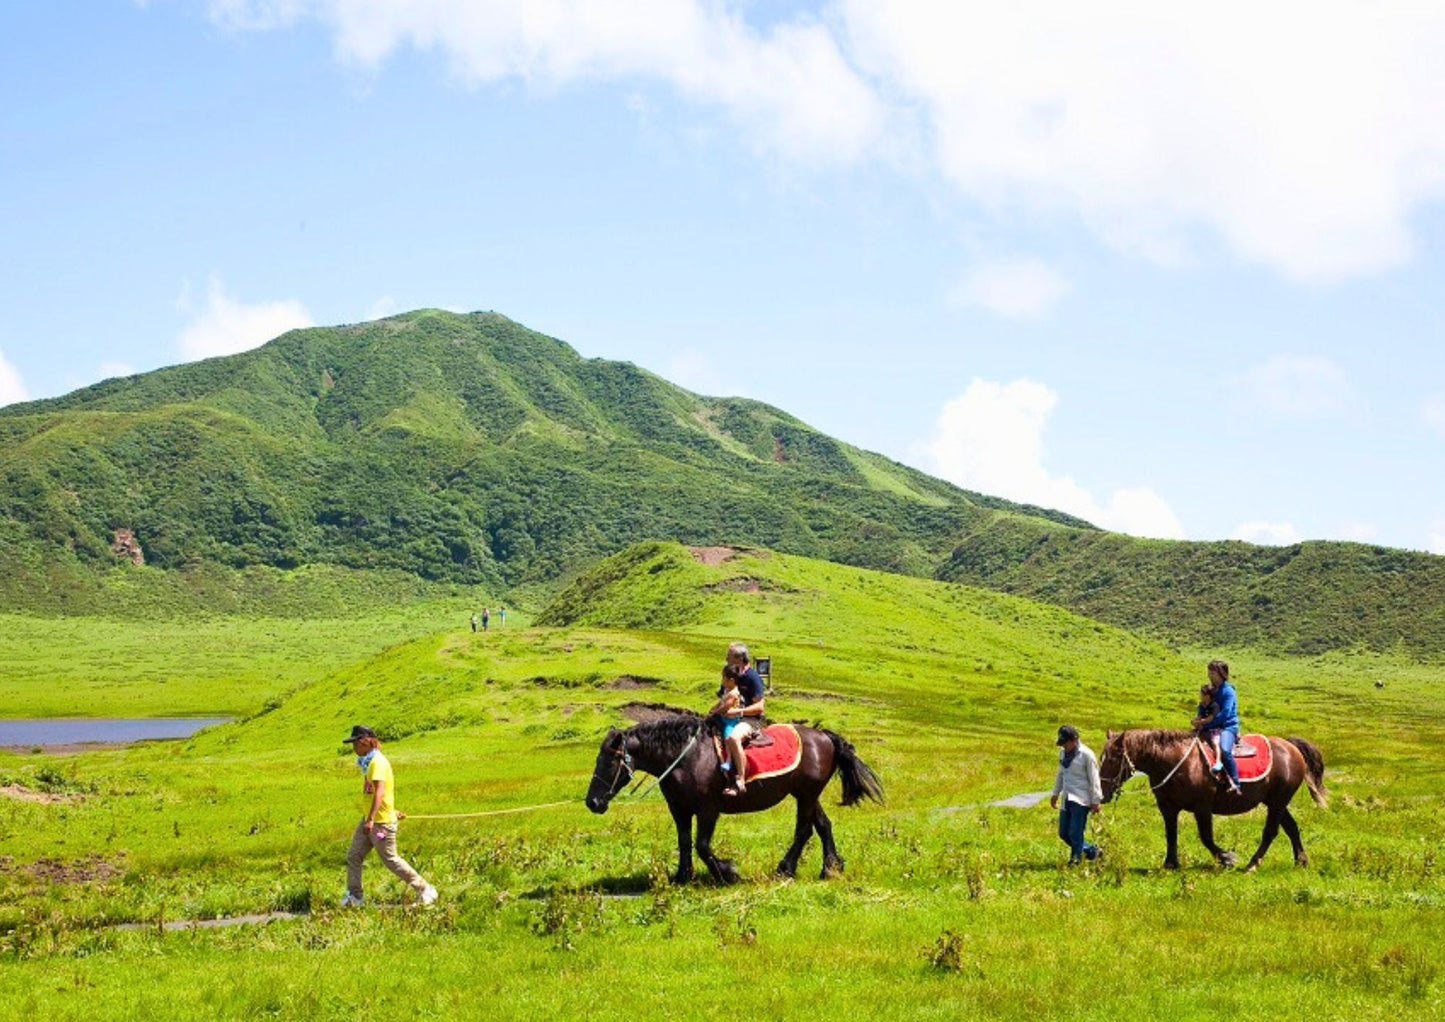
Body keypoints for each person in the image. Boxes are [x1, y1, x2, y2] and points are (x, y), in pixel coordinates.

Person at [341, 725, 437, 907]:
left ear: (364, 741)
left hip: (380, 824)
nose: (353, 748)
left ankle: (425, 889)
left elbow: (379, 792)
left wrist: (371, 819)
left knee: (390, 859)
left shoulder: (377, 762)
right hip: (371, 819)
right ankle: (355, 897)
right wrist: (389, 810)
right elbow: (381, 795)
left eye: (355, 744)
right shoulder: (369, 762)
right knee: (354, 855)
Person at [720, 642, 767, 797]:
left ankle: (740, 779)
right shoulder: (730, 674)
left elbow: (760, 707)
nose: (726, 658)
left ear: (739, 659)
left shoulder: (753, 678)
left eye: (729, 656)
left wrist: (738, 712)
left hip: (749, 720)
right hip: (728, 717)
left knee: (733, 738)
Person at [1049, 725, 1101, 864]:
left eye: (1066, 743)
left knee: (1075, 832)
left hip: (1081, 798)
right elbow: (1060, 774)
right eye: (1062, 743)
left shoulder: (1086, 755)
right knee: (1064, 833)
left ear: (1075, 739)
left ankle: (1075, 860)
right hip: (1067, 797)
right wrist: (1055, 794)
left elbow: (1094, 778)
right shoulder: (1062, 754)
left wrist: (1096, 800)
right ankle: (1092, 851)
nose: (1064, 746)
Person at [1192, 660, 1242, 794]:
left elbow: (1225, 714)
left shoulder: (1228, 692)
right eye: (1209, 673)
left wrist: (1204, 724)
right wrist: (1198, 718)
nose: (1210, 676)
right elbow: (1203, 705)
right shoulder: (1211, 689)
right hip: (1211, 726)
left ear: (1222, 674)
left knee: (1225, 750)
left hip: (1227, 726)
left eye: (1213, 673)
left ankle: (1235, 782)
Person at [708, 665, 746, 795]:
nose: (722, 680)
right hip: (723, 718)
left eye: (724, 678)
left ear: (731, 680)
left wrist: (715, 712)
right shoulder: (726, 690)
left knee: (728, 737)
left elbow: (726, 707)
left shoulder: (734, 693)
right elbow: (720, 703)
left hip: (730, 721)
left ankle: (729, 760)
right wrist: (713, 708)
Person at [1195, 684, 1224, 768]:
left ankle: (1218, 761)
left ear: (1207, 696)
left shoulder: (1214, 706)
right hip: (1204, 727)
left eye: (1201, 694)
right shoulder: (1202, 705)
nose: (1200, 696)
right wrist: (1195, 720)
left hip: (1215, 729)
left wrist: (1200, 722)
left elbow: (1209, 719)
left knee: (1215, 743)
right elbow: (1200, 715)